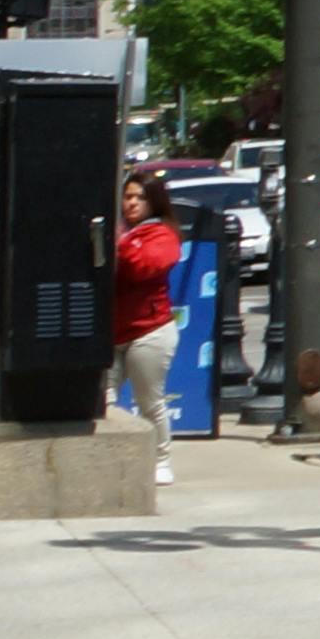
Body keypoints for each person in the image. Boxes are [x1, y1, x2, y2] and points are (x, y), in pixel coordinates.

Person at [108, 168, 186, 492]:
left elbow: (144, 267)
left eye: (140, 197)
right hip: (113, 334)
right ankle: (114, 459)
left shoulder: (162, 235)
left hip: (150, 332)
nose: (132, 203)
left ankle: (161, 461)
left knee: (149, 401)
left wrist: (120, 244)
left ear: (154, 202)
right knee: (103, 400)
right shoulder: (122, 232)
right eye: (127, 197)